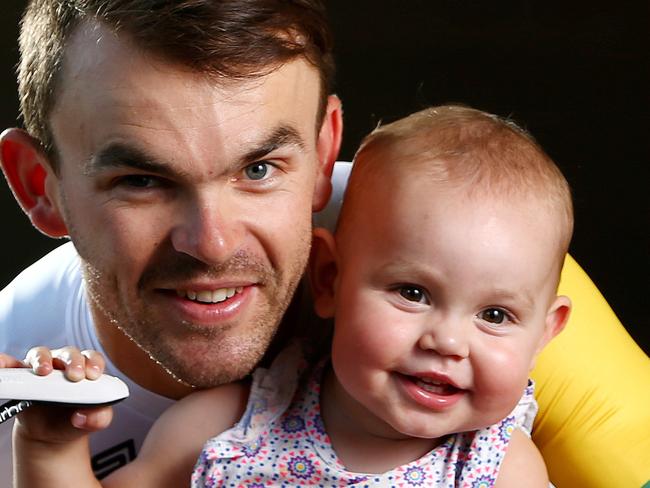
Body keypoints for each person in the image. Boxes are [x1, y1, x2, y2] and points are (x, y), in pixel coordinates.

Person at [12, 105, 573, 487]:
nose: (448, 341)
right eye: (412, 292)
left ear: (544, 336)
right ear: (327, 280)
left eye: (495, 315)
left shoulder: (498, 471)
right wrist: (50, 448)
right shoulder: (227, 427)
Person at [0, 0, 342, 482]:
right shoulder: (12, 405)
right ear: (41, 186)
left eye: (258, 169)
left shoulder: (460, 252)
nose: (213, 244)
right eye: (141, 181)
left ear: (324, 153)